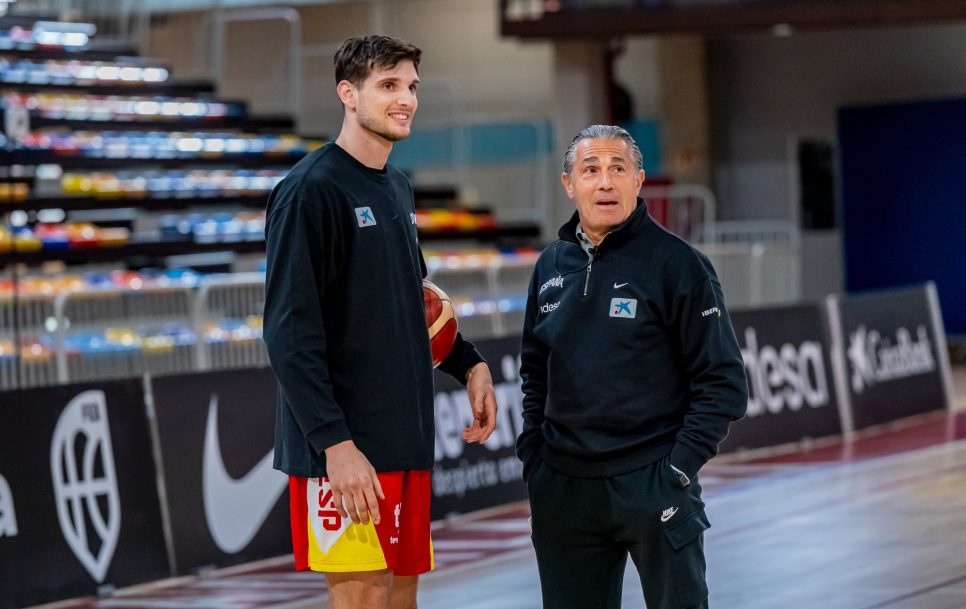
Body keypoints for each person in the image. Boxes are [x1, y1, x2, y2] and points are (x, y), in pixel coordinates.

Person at [262, 35, 498, 609]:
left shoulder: (396, 185)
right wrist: (335, 447)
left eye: (411, 86)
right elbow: (289, 333)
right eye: (389, 85)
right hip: (344, 449)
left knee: (400, 598)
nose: (406, 99)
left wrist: (467, 363)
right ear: (348, 93)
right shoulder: (309, 191)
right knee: (362, 600)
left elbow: (411, 302)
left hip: (403, 436)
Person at [516, 124, 748, 609]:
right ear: (568, 184)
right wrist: (536, 462)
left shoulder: (679, 264)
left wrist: (679, 468)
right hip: (564, 489)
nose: (605, 182)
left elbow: (723, 382)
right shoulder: (550, 267)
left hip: (653, 479)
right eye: (591, 170)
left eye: (617, 169)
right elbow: (535, 373)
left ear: (639, 181)